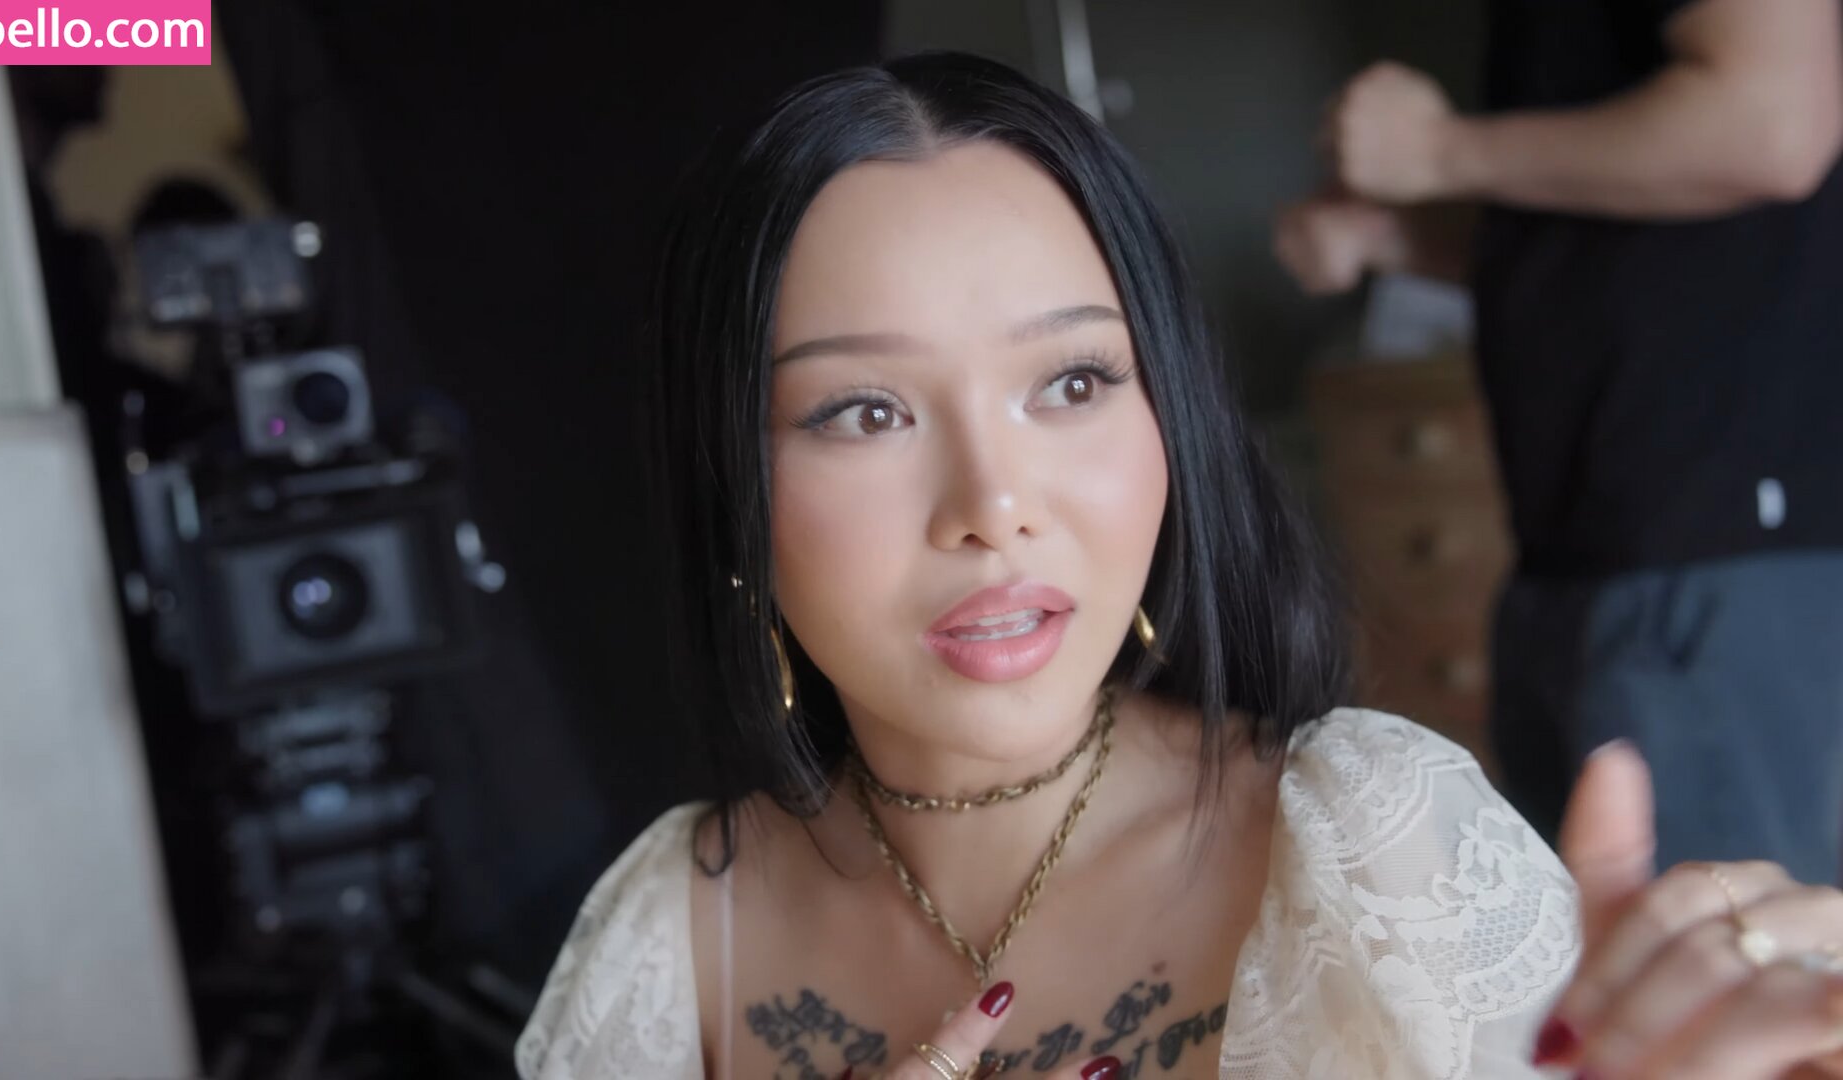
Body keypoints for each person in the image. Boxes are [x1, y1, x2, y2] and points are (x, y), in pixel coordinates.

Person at [519, 53, 1843, 1079]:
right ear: (732, 483)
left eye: (1073, 381)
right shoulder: (673, 934)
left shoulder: (1370, 844)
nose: (994, 507)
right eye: (865, 411)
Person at [1273, 0, 1843, 886]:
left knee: (1712, 953)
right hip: (1576, 559)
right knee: (1577, 950)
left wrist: (1440, 151)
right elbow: (1613, 226)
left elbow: (1771, 127)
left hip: (1712, 557)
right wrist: (1398, 238)